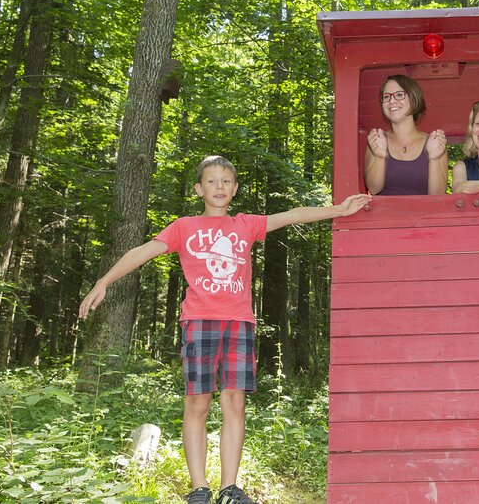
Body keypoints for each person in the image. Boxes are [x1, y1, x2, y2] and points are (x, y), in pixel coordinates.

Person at [78, 155, 371, 504]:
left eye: (226, 181)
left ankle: (230, 488)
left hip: (239, 323)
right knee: (198, 403)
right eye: (212, 181)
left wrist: (338, 210)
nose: (220, 186)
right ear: (200, 188)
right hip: (198, 322)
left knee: (235, 402)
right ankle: (199, 489)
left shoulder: (245, 225)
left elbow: (292, 215)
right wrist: (104, 280)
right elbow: (142, 251)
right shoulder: (183, 227)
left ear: (234, 189)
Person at [364, 74, 448, 195]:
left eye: (399, 95)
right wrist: (380, 157)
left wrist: (434, 159)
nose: (392, 101)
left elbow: (437, 195)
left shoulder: (434, 142)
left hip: (424, 213)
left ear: (414, 98)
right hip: (384, 213)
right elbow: (373, 189)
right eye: (386, 96)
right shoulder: (377, 141)